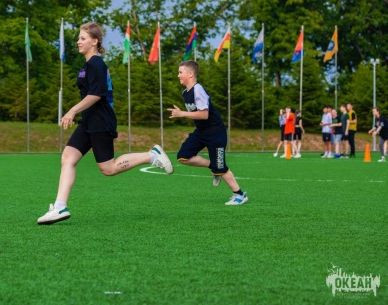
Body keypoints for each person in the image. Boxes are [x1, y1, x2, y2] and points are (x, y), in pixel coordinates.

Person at [37, 22, 173, 225]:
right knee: (68, 157)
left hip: (100, 120)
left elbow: (97, 94)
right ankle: (59, 207)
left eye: (83, 38)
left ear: (95, 41)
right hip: (89, 120)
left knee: (109, 168)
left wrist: (72, 111)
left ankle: (151, 155)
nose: (78, 41)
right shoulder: (88, 65)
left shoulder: (96, 64)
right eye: (78, 38)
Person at [167, 60, 248, 205]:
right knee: (183, 156)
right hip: (201, 132)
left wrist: (182, 113)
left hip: (216, 132)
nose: (178, 75)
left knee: (220, 167)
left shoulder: (198, 89)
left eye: (180, 72)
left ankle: (240, 195)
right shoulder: (185, 92)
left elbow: (204, 114)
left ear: (190, 74)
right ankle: (213, 166)